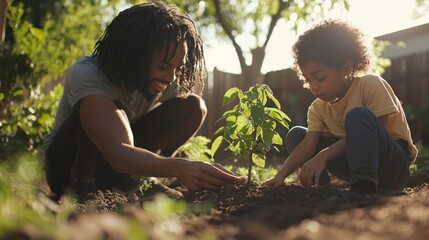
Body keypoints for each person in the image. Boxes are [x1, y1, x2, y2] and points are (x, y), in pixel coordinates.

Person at [43, 1, 243, 197]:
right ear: (135, 55)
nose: (171, 77)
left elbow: (186, 114)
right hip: (67, 168)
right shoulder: (89, 73)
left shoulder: (164, 78)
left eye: (177, 68)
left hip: (118, 164)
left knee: (192, 107)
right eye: (164, 66)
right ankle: (83, 188)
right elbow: (118, 151)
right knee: (108, 110)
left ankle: (135, 181)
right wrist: (180, 168)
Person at [263, 19, 417, 195]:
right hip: (354, 164)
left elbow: (374, 131)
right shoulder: (318, 108)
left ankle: (363, 188)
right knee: (297, 135)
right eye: (308, 80)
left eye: (319, 78)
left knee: (359, 116)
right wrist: (280, 175)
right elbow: (308, 145)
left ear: (347, 67)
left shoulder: (370, 85)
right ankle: (322, 189)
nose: (313, 86)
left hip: (392, 166)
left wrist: (324, 155)